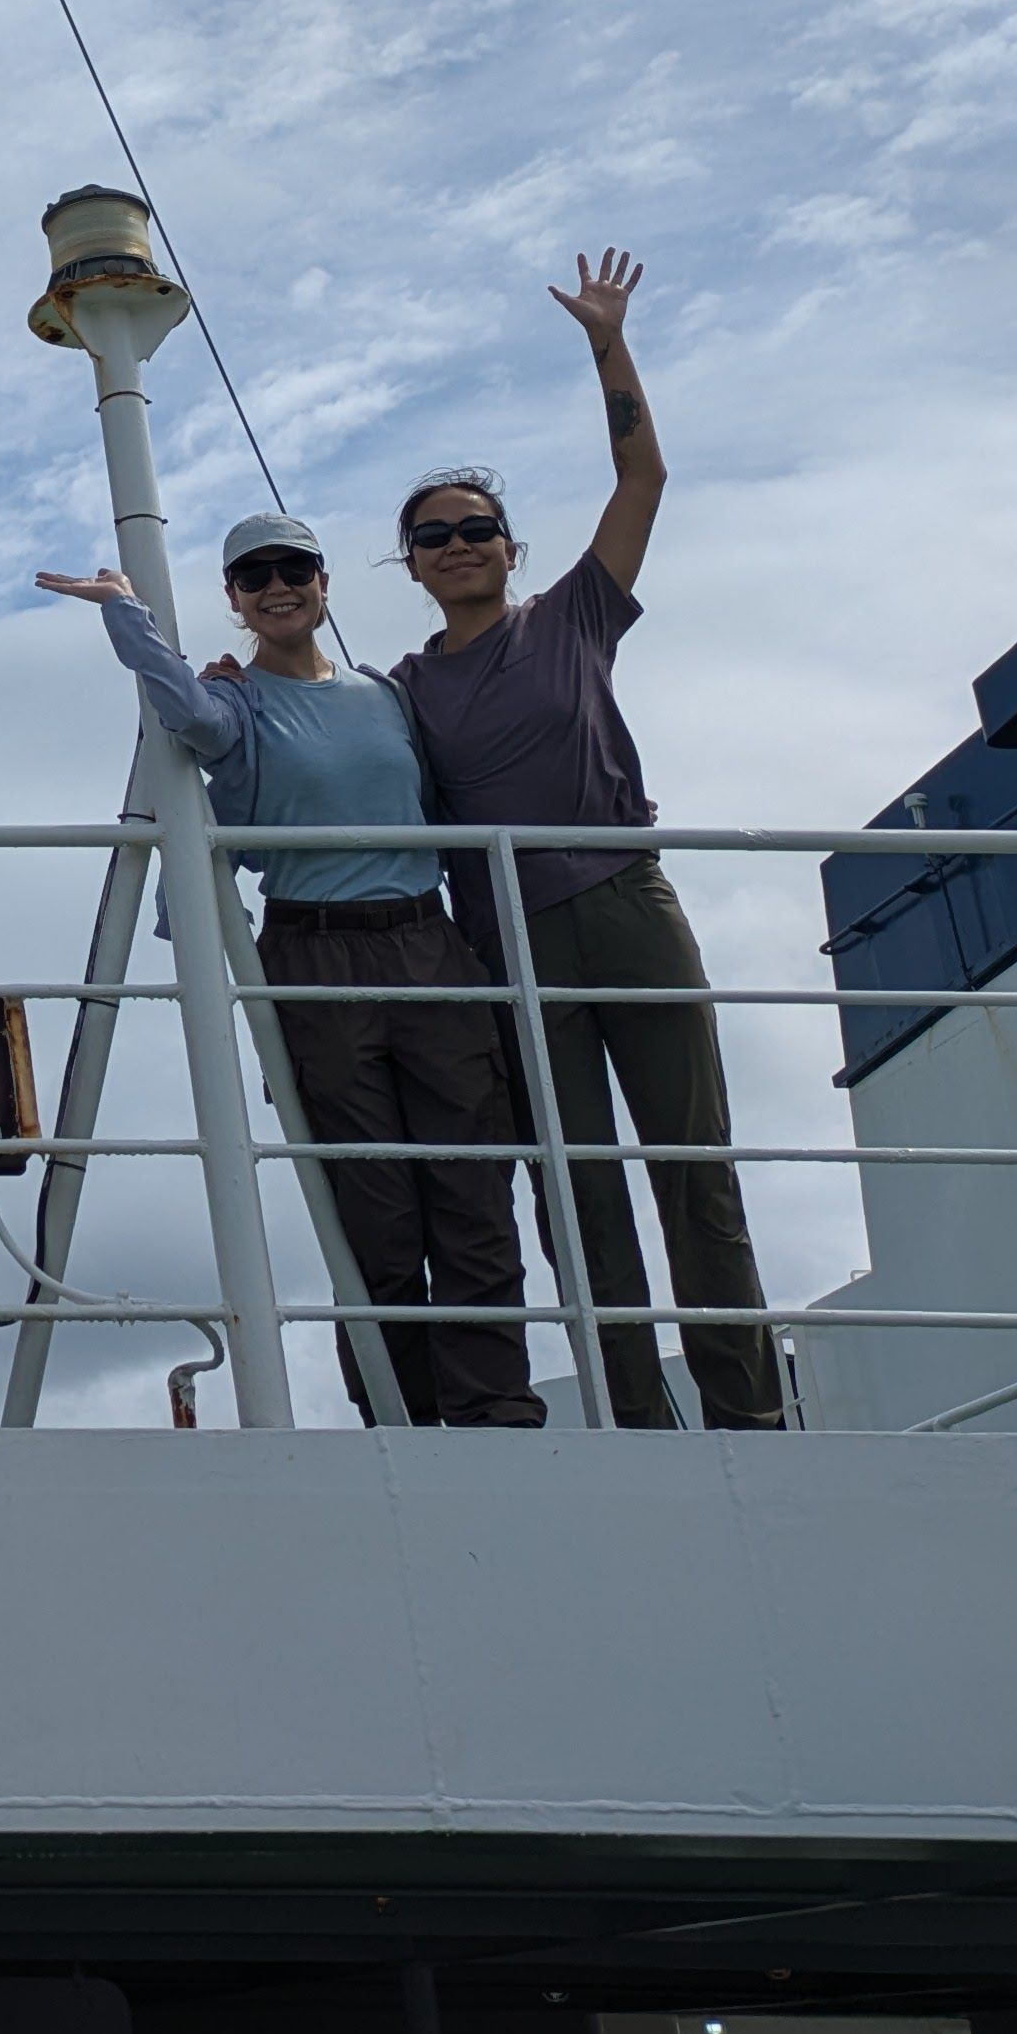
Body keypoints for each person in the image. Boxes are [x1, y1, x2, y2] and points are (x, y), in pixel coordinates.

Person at [389, 249, 779, 1432]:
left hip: (624, 901)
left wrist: (606, 342)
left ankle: (749, 1409)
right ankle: (636, 1424)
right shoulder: (398, 689)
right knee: (578, 1194)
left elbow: (642, 475)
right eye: (434, 536)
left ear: (512, 546)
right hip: (506, 942)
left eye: (477, 528)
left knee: (692, 1168)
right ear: (408, 565)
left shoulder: (574, 619)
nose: (458, 544)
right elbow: (304, 719)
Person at [39, 523, 544, 1430]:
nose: (278, 586)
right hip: (316, 957)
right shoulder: (235, 706)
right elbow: (183, 717)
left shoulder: (388, 695)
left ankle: (495, 1412)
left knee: (472, 1189)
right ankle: (403, 1418)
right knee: (375, 1208)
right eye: (253, 575)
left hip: (428, 947)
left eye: (294, 569)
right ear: (232, 598)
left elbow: (463, 776)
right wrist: (127, 616)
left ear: (323, 583)